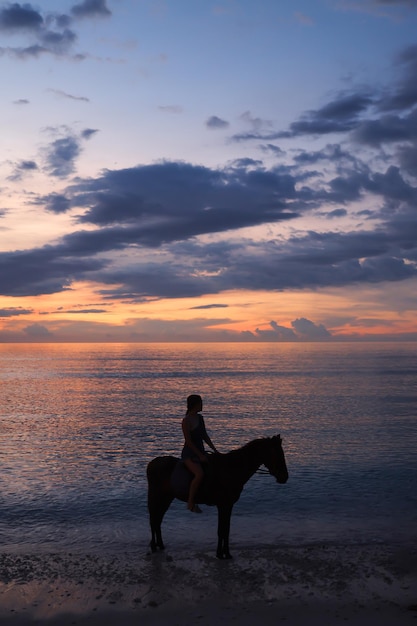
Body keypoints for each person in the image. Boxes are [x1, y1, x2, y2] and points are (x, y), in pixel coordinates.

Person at [181, 394, 218, 513]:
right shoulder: (186, 421)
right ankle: (191, 502)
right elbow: (189, 441)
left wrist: (215, 450)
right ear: (195, 404)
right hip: (189, 454)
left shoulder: (200, 418)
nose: (202, 405)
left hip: (201, 452)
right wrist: (200, 455)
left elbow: (205, 436)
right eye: (200, 403)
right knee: (199, 474)